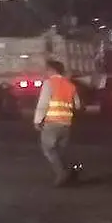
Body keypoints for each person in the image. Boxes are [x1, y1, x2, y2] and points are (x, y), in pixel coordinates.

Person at [33, 59, 82, 187]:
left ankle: (62, 173)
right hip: (66, 123)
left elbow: (43, 104)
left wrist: (38, 120)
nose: (45, 72)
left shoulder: (49, 83)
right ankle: (71, 172)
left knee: (48, 148)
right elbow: (77, 105)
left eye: (47, 70)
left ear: (52, 70)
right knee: (61, 150)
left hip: (52, 122)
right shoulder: (70, 85)